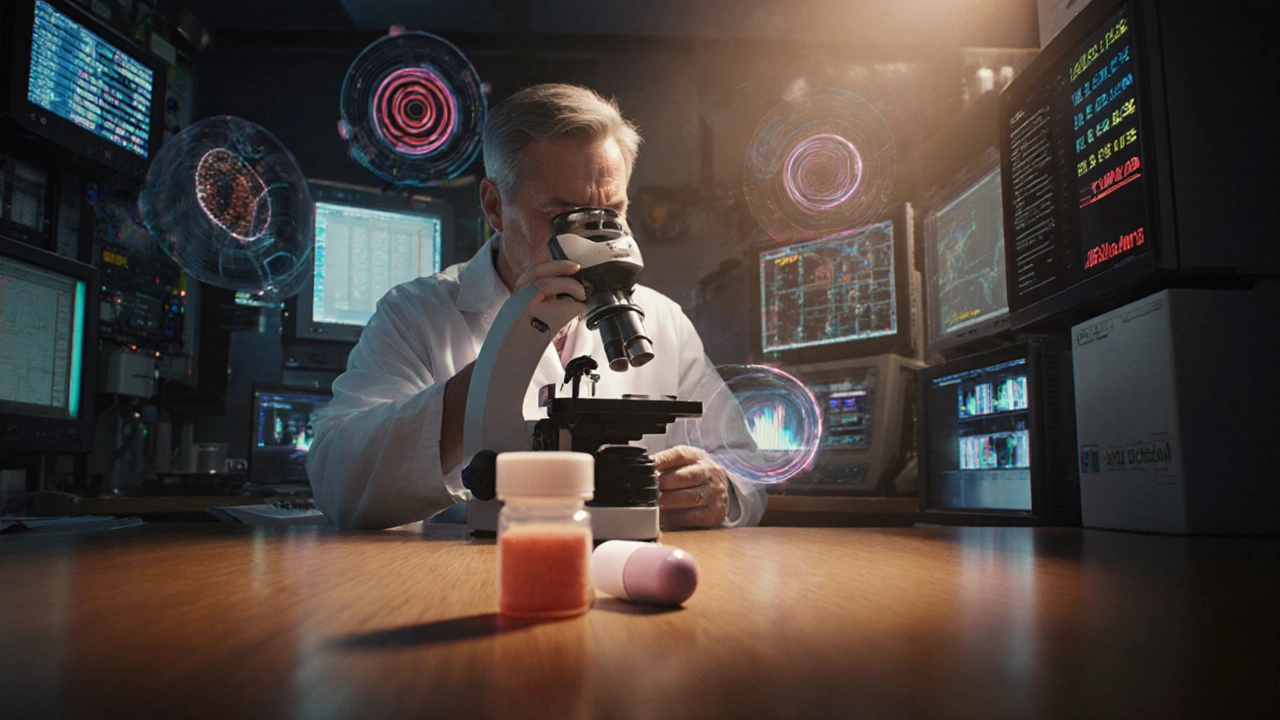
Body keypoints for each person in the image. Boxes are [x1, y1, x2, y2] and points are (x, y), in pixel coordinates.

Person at [308, 83, 767, 530]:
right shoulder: (415, 314)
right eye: (562, 216)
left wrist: (717, 488)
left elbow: (747, 469)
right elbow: (337, 482)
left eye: (612, 214)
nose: (596, 239)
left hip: (619, 571)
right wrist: (497, 369)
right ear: (494, 206)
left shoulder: (662, 320)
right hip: (464, 576)